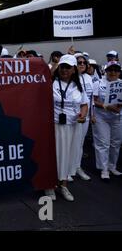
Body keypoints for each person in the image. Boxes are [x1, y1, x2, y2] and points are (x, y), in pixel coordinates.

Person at [45, 55, 88, 202]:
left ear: (74, 69)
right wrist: (55, 65)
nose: (64, 70)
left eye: (68, 67)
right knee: (54, 156)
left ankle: (63, 185)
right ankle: (49, 185)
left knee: (69, 156)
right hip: (55, 126)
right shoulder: (51, 82)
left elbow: (84, 104)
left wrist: (83, 115)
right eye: (63, 66)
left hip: (73, 126)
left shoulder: (78, 85)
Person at [92, 61, 122, 181]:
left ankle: (112, 166)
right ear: (106, 71)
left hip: (117, 117)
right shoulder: (98, 82)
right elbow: (93, 101)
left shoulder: (121, 83)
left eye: (116, 70)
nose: (113, 72)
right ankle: (104, 169)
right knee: (103, 143)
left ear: (119, 72)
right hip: (101, 117)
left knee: (116, 143)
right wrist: (106, 106)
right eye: (110, 70)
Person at [69, 54, 93, 181]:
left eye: (84, 62)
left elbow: (91, 99)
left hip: (86, 117)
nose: (82, 64)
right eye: (79, 62)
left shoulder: (89, 78)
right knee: (71, 143)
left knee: (80, 144)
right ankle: (68, 169)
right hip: (72, 117)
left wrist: (91, 115)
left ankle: (77, 167)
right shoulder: (70, 79)